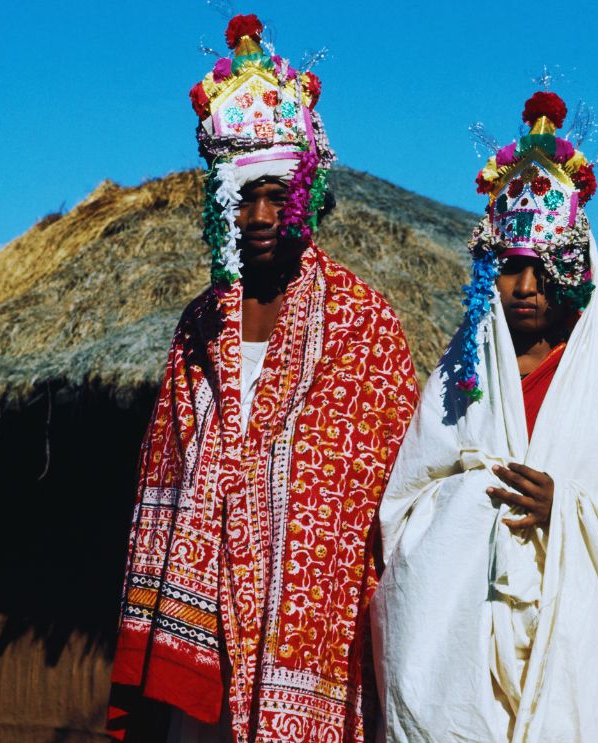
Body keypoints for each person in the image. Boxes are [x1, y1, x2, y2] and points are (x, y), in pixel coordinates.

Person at [107, 14, 418, 743]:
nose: (260, 215)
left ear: (305, 193)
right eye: (243, 197)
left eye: (277, 193)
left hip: (311, 632)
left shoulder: (362, 321)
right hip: (202, 625)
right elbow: (165, 471)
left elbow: (398, 484)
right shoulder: (198, 324)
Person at [371, 91, 598, 743]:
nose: (525, 286)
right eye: (511, 267)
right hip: (467, 675)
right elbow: (401, 512)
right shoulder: (462, 380)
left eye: (542, 268)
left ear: (574, 272)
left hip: (574, 672)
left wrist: (568, 510)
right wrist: (473, 503)